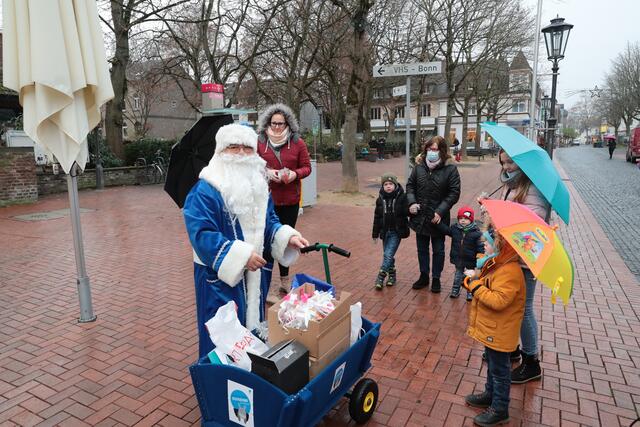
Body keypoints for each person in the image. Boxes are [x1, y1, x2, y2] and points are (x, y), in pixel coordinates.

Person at [183, 124, 309, 358]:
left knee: (251, 331)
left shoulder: (259, 185)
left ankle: (248, 381)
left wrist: (286, 236)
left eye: (247, 148)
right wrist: (240, 256)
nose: (241, 153)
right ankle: (219, 386)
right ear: (221, 151)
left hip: (255, 275)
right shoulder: (204, 190)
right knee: (222, 336)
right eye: (233, 147)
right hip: (219, 281)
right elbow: (202, 234)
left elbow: (269, 221)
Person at [480, 149, 549, 383]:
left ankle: (532, 362)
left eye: (510, 162)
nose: (507, 167)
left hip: (525, 259)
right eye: (503, 163)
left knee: (524, 309)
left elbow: (531, 223)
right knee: (513, 308)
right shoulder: (512, 185)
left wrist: (501, 215)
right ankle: (512, 349)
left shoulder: (533, 189)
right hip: (510, 256)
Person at [463, 229, 526, 426]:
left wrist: (475, 287)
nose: (484, 246)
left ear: (501, 247)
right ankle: (490, 394)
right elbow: (488, 281)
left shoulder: (510, 271)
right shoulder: (498, 264)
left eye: (488, 243)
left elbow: (499, 300)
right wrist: (476, 277)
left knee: (500, 370)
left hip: (501, 329)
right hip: (493, 327)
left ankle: (500, 408)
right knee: (492, 363)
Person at [257, 104, 312, 294]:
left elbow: (307, 167)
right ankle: (264, 280)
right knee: (267, 240)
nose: (278, 127)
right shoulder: (260, 142)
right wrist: (266, 173)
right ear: (268, 123)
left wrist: (294, 175)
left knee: (287, 239)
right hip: (267, 200)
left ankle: (284, 280)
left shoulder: (298, 143)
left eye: (281, 123)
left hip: (290, 201)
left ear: (288, 123)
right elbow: (253, 165)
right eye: (274, 123)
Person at [406, 135, 461, 292]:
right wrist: (411, 203)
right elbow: (410, 186)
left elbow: (454, 193)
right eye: (429, 149)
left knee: (439, 250)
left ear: (442, 151)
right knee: (422, 249)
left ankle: (436, 278)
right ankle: (424, 275)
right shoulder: (419, 167)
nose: (431, 152)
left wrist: (440, 211)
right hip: (420, 217)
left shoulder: (450, 169)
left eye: (434, 149)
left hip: (438, 219)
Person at [371, 173, 410, 290]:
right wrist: (375, 233)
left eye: (391, 184)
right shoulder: (380, 199)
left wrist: (411, 209)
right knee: (389, 256)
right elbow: (377, 217)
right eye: (386, 184)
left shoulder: (402, 197)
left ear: (395, 185)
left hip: (396, 232)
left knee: (387, 255)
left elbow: (406, 211)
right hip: (384, 232)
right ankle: (392, 276)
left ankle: (381, 277)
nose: (388, 186)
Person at [447, 206, 483, 300]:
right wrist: (438, 224)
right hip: (458, 258)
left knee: (470, 276)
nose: (463, 220)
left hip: (470, 259)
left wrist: (480, 257)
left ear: (471, 220)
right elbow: (446, 231)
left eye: (466, 219)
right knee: (458, 275)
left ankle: (470, 291)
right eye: (461, 218)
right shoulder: (455, 229)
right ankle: (455, 290)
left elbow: (480, 247)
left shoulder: (476, 233)